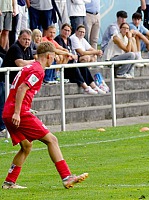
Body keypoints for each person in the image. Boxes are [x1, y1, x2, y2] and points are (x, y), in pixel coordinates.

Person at [1, 41, 88, 189]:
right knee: (52, 140)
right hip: (18, 112)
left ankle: (9, 182)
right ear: (48, 56)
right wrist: (18, 112)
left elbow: (21, 89)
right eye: (53, 57)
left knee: (26, 146)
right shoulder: (38, 71)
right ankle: (67, 177)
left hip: (9, 111)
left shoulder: (30, 67)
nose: (54, 60)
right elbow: (22, 89)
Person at [55, 23, 104, 94]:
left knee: (82, 67)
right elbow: (63, 52)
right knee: (75, 66)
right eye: (65, 30)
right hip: (63, 66)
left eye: (68, 31)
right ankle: (86, 87)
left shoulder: (68, 39)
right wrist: (70, 55)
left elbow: (73, 53)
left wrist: (72, 56)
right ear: (61, 30)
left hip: (71, 61)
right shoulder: (58, 39)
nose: (67, 32)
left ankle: (94, 86)